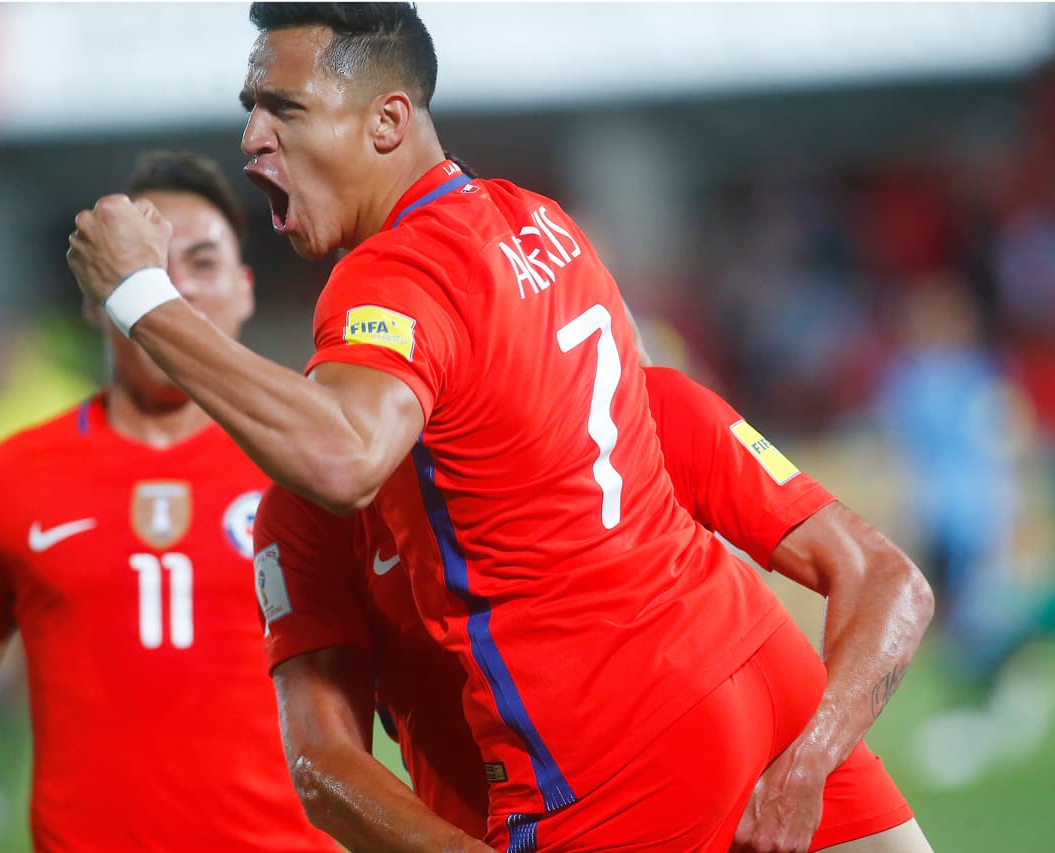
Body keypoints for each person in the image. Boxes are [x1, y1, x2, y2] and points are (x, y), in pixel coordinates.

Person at [64, 6, 930, 849]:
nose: (253, 136)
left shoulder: (398, 279)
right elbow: (323, 761)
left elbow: (342, 456)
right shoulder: (542, 226)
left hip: (603, 750)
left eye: (283, 108)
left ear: (387, 122)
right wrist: (809, 759)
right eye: (250, 109)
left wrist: (141, 297)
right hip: (749, 667)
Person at [255, 363, 934, 853]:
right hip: (539, 823)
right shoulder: (313, 513)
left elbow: (888, 580)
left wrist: (806, 766)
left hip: (769, 763)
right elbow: (321, 760)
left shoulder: (641, 405)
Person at [0, 150, 337, 853]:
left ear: (245, 290)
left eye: (202, 263)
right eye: (147, 266)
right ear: (94, 292)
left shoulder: (320, 472)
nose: (172, 290)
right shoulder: (2, 482)